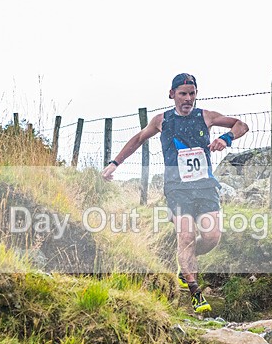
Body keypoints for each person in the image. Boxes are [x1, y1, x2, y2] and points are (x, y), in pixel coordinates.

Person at [101, 73, 249, 313]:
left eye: (192, 94)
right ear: (172, 94)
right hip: (177, 188)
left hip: (204, 186)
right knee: (186, 235)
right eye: (182, 94)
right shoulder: (162, 120)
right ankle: (195, 292)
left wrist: (226, 137)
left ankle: (184, 263)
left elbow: (241, 125)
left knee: (212, 237)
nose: (188, 99)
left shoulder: (206, 116)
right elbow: (138, 139)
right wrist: (114, 163)